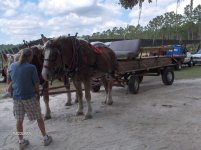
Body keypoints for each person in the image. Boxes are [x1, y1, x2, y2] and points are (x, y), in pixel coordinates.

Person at [8, 48, 52, 149]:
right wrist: (37, 93)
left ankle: (21, 141)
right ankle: (45, 138)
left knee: (19, 120)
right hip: (29, 97)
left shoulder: (12, 65)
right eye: (32, 56)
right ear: (29, 56)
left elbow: (11, 81)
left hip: (16, 98)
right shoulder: (31, 67)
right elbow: (36, 84)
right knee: (39, 118)